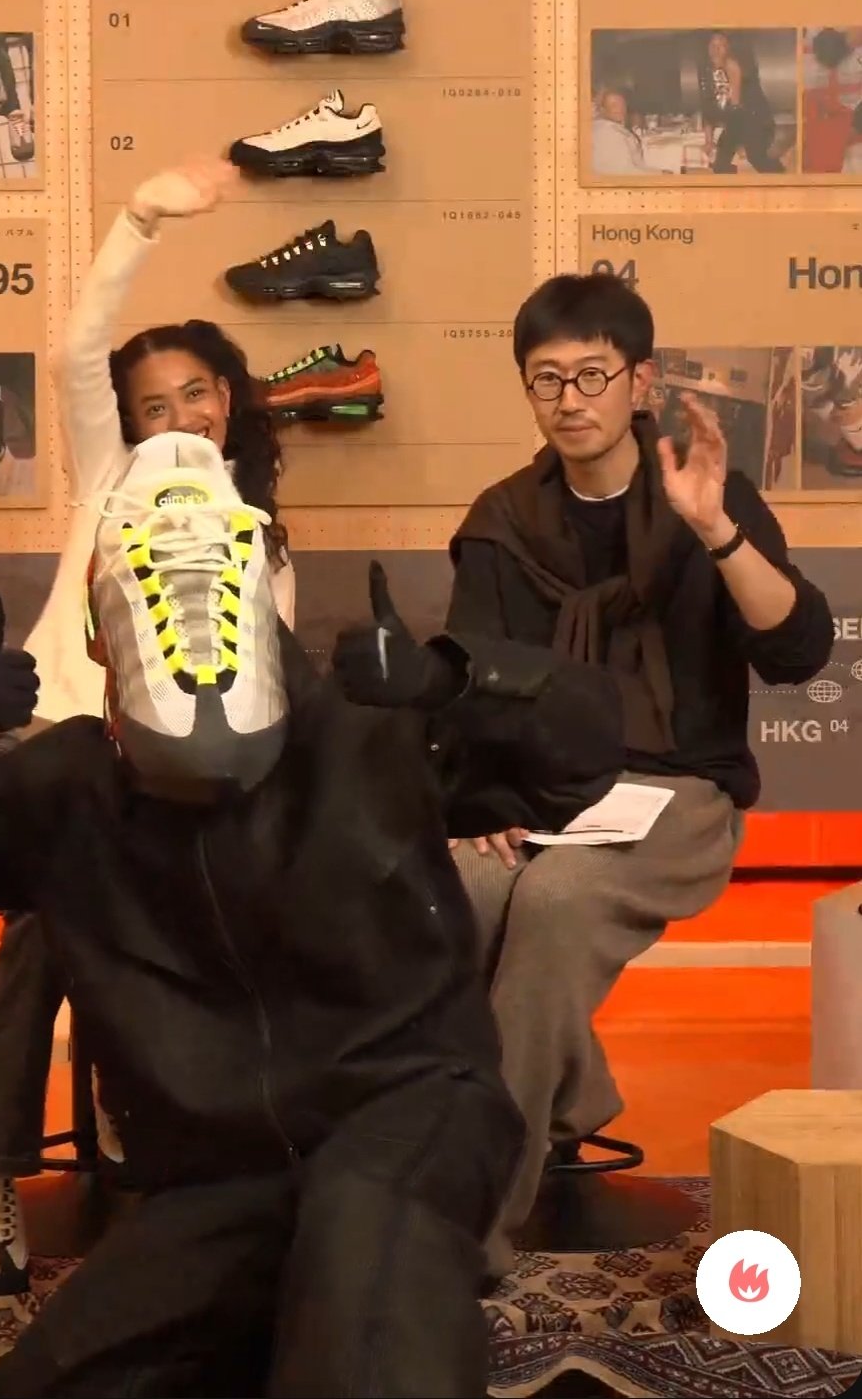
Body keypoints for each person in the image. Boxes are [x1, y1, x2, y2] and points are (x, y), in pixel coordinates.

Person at [0, 426, 600, 1398]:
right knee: (54, 1382)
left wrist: (453, 684)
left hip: (405, 1113)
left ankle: (359, 1326)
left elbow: (581, 752)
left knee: (361, 1324)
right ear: (102, 623)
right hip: (221, 1170)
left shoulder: (366, 731)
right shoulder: (66, 787)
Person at [333, 271, 833, 1244]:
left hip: (679, 789)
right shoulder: (502, 520)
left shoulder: (704, 497)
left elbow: (797, 651)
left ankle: (472, 1215)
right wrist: (481, 807)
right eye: (546, 378)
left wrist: (717, 531)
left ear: (639, 381)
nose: (570, 399)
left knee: (557, 901)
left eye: (592, 375)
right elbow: (476, 688)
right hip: (543, 790)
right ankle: (547, 1100)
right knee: (456, 891)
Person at [0, 159, 294, 1296]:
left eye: (196, 394)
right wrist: (140, 218)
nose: (179, 417)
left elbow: (268, 693)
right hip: (56, 755)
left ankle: (141, 1101)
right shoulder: (111, 481)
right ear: (126, 424)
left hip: (177, 785)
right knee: (56, 902)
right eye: (153, 405)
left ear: (227, 399)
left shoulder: (260, 532)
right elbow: (73, 350)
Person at [698, 30, 783, 174]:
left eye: (721, 46)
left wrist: (740, 142)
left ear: (728, 49)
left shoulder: (732, 67)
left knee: (756, 158)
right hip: (734, 122)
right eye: (712, 45)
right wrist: (708, 141)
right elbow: (707, 108)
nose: (716, 50)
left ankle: (782, 177)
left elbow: (737, 109)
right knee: (720, 166)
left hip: (755, 120)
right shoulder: (706, 72)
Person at [590, 87, 648, 176]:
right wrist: (661, 174)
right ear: (602, 109)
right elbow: (625, 172)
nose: (620, 109)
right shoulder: (609, 134)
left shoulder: (606, 126)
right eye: (614, 105)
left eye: (623, 104)